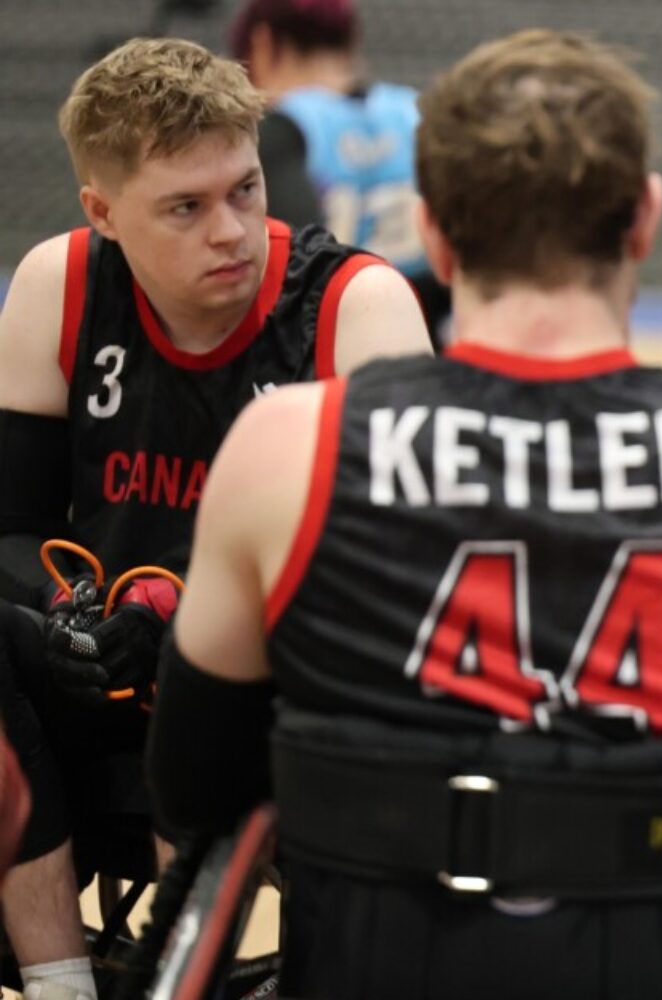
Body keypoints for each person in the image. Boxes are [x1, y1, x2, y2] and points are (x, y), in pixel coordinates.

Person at [145, 30, 662, 1000]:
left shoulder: (283, 452)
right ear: (644, 219)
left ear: (431, 234)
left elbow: (192, 783)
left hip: (377, 959)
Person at [0, 36, 431, 1000]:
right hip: (102, 664)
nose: (230, 230)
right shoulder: (57, 284)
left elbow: (394, 573)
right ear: (103, 214)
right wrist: (74, 612)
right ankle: (60, 982)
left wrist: (190, 620)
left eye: (244, 189)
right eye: (186, 208)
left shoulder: (357, 307)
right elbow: (9, 528)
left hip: (275, 683)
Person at [229, 0, 450, 335]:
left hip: (333, 349)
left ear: (263, 45)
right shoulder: (417, 111)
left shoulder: (280, 132)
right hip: (428, 342)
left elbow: (292, 270)